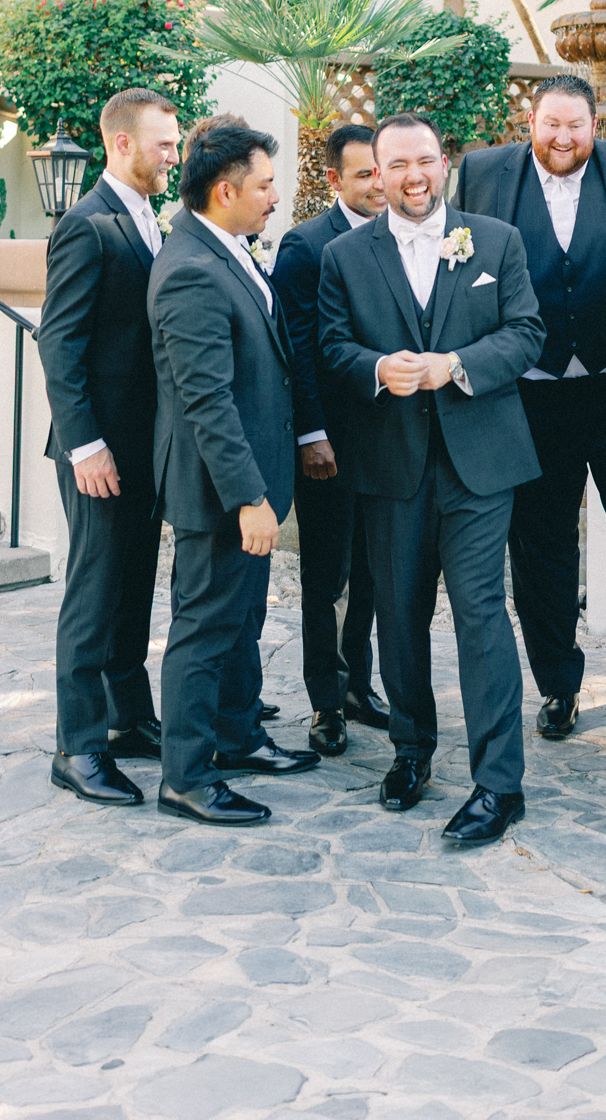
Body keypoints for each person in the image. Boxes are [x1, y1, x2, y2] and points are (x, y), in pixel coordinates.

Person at [319, 112, 545, 845]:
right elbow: (330, 346)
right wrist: (380, 370)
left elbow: (525, 333)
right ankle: (410, 751)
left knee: (481, 613)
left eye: (425, 161)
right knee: (399, 611)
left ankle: (498, 783)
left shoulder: (497, 241)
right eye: (397, 165)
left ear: (444, 163)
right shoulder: (346, 257)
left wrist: (456, 366)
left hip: (481, 461)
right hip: (391, 463)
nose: (413, 177)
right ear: (375, 173)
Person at [456, 74, 606, 739]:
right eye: (552, 124)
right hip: (533, 392)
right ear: (530, 122)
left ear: (595, 125)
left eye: (576, 125)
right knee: (540, 540)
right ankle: (558, 683)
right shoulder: (484, 174)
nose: (563, 138)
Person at [149, 122, 320, 827]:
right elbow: (206, 400)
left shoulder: (229, 250)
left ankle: (238, 736)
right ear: (225, 192)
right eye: (264, 186)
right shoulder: (192, 267)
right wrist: (249, 496)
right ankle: (186, 777)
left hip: (252, 479)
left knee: (241, 620)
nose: (275, 197)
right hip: (220, 489)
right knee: (205, 629)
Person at [40, 87, 180, 808]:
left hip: (141, 445)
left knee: (131, 585)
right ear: (122, 144)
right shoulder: (88, 225)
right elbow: (57, 341)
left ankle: (128, 719)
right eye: (163, 143)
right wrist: (84, 445)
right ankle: (79, 744)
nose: (173, 154)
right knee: (94, 592)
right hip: (98, 449)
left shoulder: (147, 219)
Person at [271, 123, 390, 757]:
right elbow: (299, 353)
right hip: (328, 443)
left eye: (382, 170)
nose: (378, 183)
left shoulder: (400, 237)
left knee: (371, 571)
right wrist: (312, 434)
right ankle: (325, 701)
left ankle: (359, 687)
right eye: (363, 173)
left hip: (387, 440)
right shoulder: (305, 246)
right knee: (327, 577)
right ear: (333, 180)